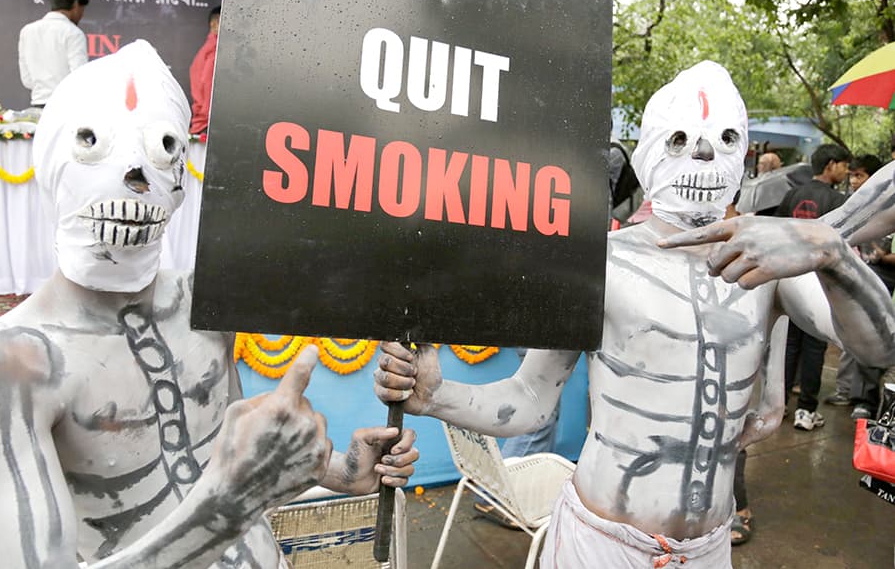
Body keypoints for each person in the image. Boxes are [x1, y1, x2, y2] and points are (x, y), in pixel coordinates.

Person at [373, 61, 895, 568]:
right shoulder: (600, 265)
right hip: (598, 546)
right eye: (680, 140)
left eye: (727, 139)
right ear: (648, 153)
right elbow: (531, 399)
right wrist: (436, 396)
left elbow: (878, 349)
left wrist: (834, 254)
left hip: (709, 549)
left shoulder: (769, 263)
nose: (706, 153)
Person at [0, 41, 419, 568]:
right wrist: (232, 505)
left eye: (163, 149)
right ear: (53, 160)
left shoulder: (203, 298)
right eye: (92, 143)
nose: (135, 178)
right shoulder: (6, 368)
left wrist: (339, 469)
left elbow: (222, 453)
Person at [774, 143, 852, 431]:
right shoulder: (839, 201)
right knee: (814, 345)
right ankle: (805, 410)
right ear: (831, 165)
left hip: (790, 278)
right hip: (820, 281)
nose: (845, 172)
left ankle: (779, 404)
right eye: (844, 166)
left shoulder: (792, 195)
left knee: (790, 343)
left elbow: (778, 234)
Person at [826, 154, 891, 409]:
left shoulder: (883, 203)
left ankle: (866, 399)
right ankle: (851, 392)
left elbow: (879, 252)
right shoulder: (852, 205)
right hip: (860, 275)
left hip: (881, 277)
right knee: (853, 335)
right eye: (852, 175)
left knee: (874, 337)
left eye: (859, 175)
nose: (854, 181)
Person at [18, 0, 89, 108]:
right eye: (82, 9)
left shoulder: (27, 31)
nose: (81, 15)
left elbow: (27, 80)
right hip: (66, 107)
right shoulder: (73, 33)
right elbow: (79, 77)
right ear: (75, 4)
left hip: (38, 106)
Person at [189, 5, 221, 135]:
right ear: (214, 24)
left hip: (203, 125)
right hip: (209, 126)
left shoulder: (207, 51)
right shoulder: (214, 53)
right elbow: (208, 87)